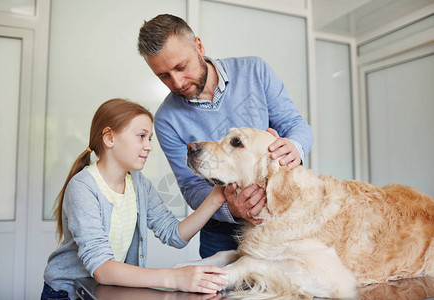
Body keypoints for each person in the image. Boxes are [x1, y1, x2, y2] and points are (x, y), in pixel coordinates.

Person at [137, 14, 313, 259]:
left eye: (181, 67)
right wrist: (231, 208)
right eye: (163, 76)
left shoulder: (255, 71)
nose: (176, 82)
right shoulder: (166, 119)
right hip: (220, 233)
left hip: (281, 218)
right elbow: (191, 186)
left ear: (198, 46)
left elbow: (295, 125)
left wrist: (294, 146)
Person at [41, 98, 228, 300]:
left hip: (105, 292)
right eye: (141, 136)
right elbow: (102, 268)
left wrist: (217, 196)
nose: (148, 146)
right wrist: (175, 278)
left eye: (150, 138)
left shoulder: (139, 184)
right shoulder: (83, 187)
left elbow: (175, 234)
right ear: (109, 138)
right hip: (66, 293)